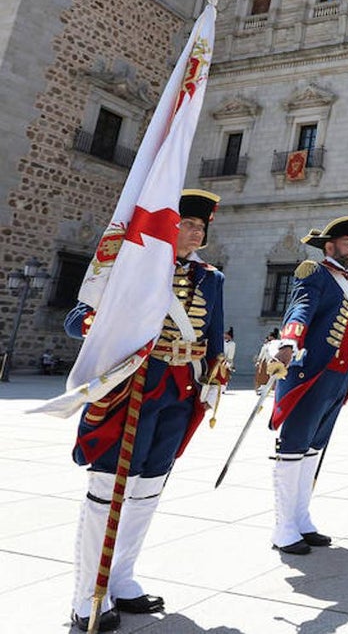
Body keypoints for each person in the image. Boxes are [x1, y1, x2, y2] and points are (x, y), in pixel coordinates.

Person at [67, 189, 227, 632]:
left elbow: (213, 336)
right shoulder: (134, 267)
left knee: (150, 485)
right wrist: (95, 325)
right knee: (109, 487)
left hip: (180, 391)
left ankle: (121, 578)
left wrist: (215, 375)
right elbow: (82, 315)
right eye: (187, 224)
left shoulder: (212, 278)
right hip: (134, 388)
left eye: (200, 227)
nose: (194, 233)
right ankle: (87, 595)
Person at [269, 216, 348, 555]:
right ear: (329, 246)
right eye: (347, 242)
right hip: (311, 372)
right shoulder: (316, 272)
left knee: (313, 448)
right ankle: (283, 528)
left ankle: (301, 519)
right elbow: (301, 309)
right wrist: (288, 342)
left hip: (338, 376)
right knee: (293, 446)